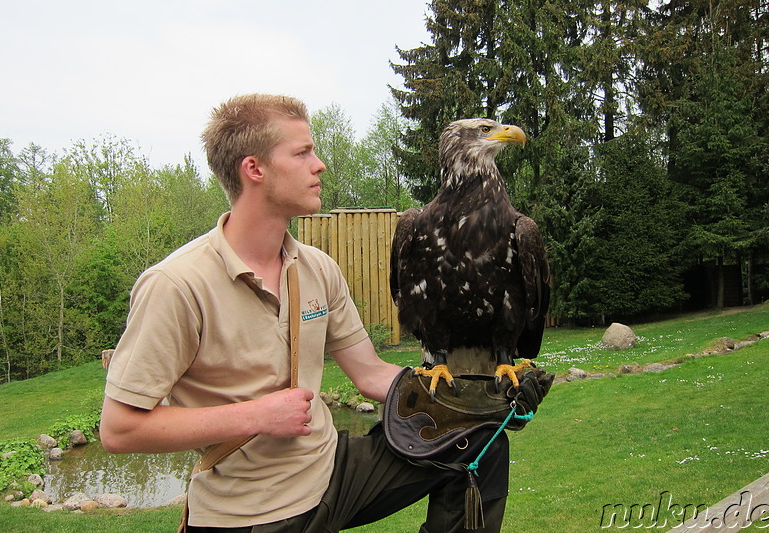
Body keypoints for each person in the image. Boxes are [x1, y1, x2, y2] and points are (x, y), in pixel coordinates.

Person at [100, 94, 510, 532]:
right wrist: (256, 415)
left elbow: (371, 373)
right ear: (254, 169)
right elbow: (119, 429)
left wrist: (473, 397)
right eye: (302, 153)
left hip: (334, 472)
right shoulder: (176, 285)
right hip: (247, 512)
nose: (320, 165)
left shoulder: (317, 268)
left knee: (481, 438)